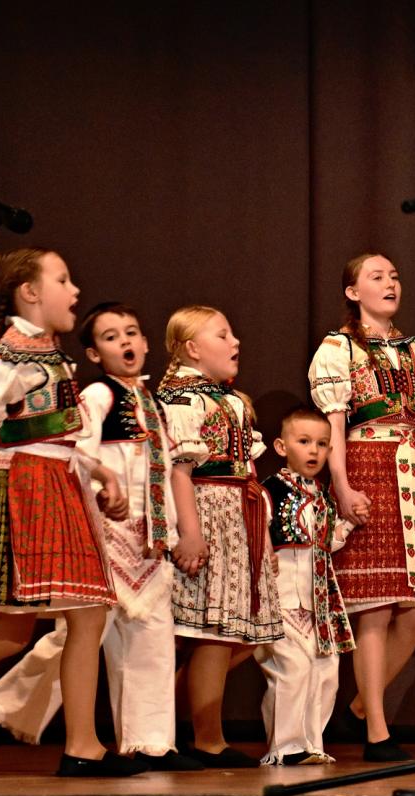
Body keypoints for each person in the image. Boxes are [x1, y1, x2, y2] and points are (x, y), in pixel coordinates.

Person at [0, 249, 146, 789]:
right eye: (63, 279)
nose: (75, 290)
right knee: (19, 629)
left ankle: (82, 745)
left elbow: (48, 434)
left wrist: (100, 473)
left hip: (55, 481)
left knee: (71, 619)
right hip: (30, 490)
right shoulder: (13, 358)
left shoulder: (46, 354)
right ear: (30, 292)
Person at [0, 302, 202, 770]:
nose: (125, 342)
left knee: (151, 640)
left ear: (146, 343)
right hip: (106, 533)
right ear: (95, 354)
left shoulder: (153, 403)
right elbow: (77, 452)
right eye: (111, 336)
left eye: (132, 332)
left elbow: (161, 471)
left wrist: (173, 528)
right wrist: (103, 491)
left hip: (147, 539)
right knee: (78, 637)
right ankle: (2, 708)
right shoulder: (99, 395)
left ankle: (150, 743)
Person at [308, 252, 415, 762]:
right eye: (377, 277)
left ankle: (359, 707)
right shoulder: (339, 349)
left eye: (394, 275)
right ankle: (377, 729)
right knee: (373, 610)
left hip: (411, 474)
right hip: (368, 469)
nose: (390, 283)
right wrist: (342, 486)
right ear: (354, 292)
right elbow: (334, 425)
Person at [159, 305, 282, 768]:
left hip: (238, 516)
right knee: (213, 633)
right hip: (208, 512)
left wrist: (261, 536)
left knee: (238, 632)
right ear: (192, 348)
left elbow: (246, 471)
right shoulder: (184, 399)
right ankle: (207, 737)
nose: (235, 342)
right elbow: (180, 470)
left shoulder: (227, 399)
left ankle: (166, 719)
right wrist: (190, 533)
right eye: (223, 335)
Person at [256, 408, 356, 765]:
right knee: (291, 670)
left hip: (319, 602)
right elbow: (258, 530)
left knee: (325, 672)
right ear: (281, 447)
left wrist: (347, 526)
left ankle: (312, 742)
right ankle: (284, 747)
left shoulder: (324, 497)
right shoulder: (269, 490)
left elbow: (326, 542)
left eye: (322, 444)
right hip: (281, 597)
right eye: (304, 442)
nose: (314, 451)